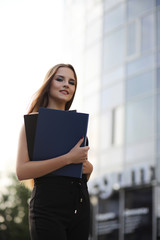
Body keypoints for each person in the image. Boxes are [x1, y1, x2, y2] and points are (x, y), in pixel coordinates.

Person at [16, 63, 93, 240]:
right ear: (49, 83)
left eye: (72, 82)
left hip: (79, 208)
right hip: (47, 209)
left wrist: (89, 168)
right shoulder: (32, 124)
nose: (67, 84)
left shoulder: (78, 126)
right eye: (60, 79)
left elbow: (81, 172)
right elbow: (22, 171)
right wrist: (68, 159)